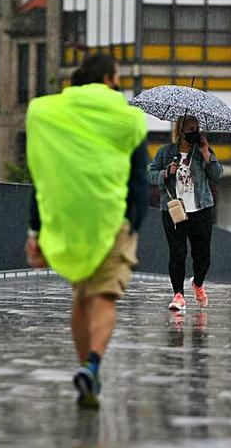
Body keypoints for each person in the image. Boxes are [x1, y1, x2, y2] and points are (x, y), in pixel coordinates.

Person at [24, 52, 149, 409]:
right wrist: (134, 224)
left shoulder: (54, 115)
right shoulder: (126, 119)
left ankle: (86, 370)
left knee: (81, 296)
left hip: (71, 217)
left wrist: (36, 229)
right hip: (111, 217)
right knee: (104, 296)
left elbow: (42, 175)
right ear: (110, 78)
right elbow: (139, 181)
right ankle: (93, 364)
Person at [148, 115, 224, 310]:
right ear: (180, 131)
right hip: (174, 210)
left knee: (203, 256)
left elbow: (217, 175)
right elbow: (150, 173)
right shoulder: (165, 152)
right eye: (190, 129)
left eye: (196, 128)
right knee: (177, 254)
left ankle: (197, 283)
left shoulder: (202, 152)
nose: (194, 132)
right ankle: (178, 295)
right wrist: (166, 172)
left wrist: (206, 153)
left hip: (201, 209)